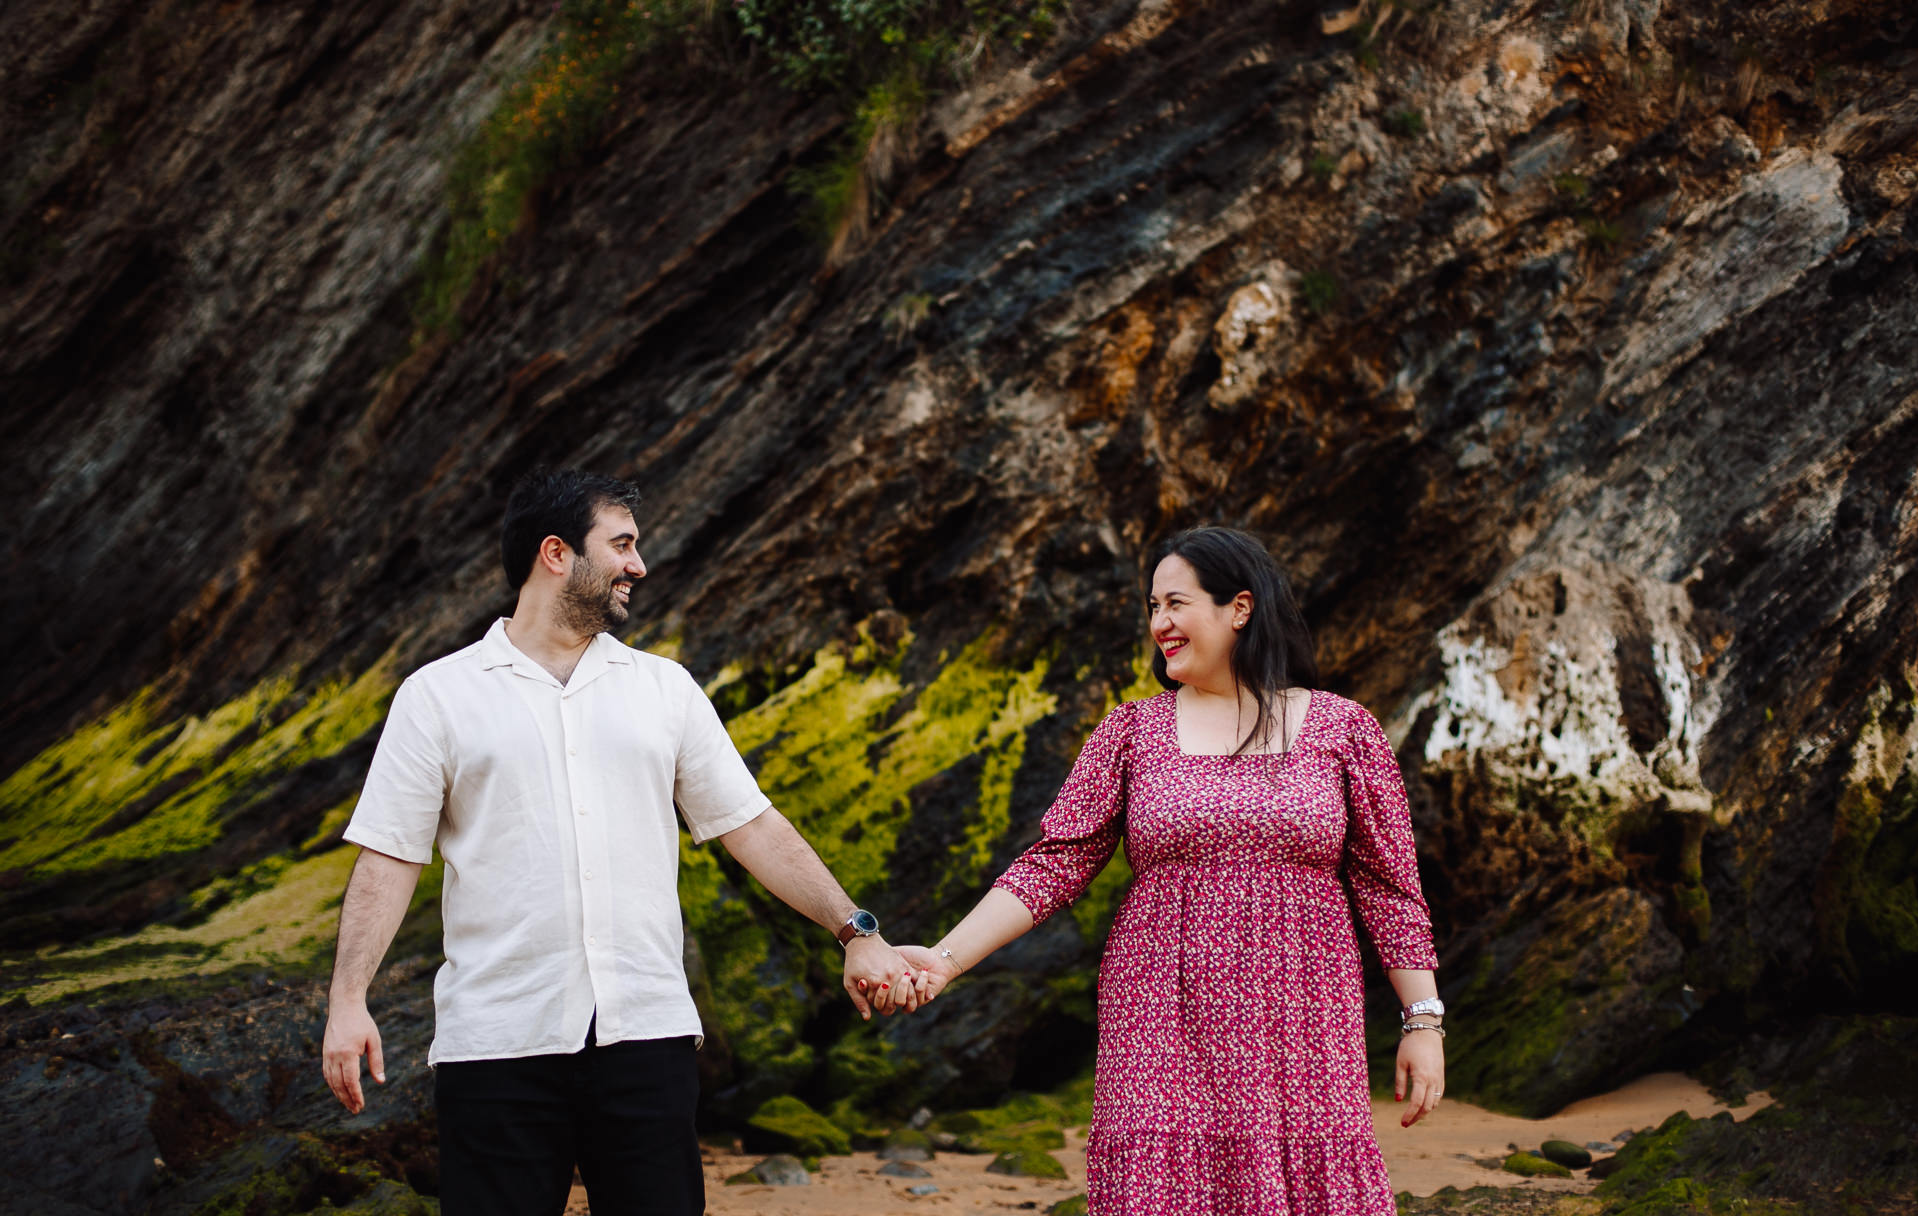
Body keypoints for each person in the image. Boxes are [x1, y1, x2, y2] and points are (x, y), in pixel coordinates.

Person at [320, 468, 919, 1216]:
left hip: (646, 1036)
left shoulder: (663, 690)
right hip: (498, 1042)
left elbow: (752, 825)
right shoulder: (438, 695)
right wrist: (348, 1000)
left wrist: (854, 929)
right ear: (556, 553)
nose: (639, 565)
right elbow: (389, 857)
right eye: (623, 545)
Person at [891, 526, 1445, 1214]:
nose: (1159, 624)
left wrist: (1423, 1021)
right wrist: (944, 961)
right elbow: (1054, 866)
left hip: (1302, 1019)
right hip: (1160, 1012)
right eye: (1152, 607)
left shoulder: (1344, 729)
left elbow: (1389, 888)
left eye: (1175, 603)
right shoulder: (1129, 734)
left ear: (1238, 608)